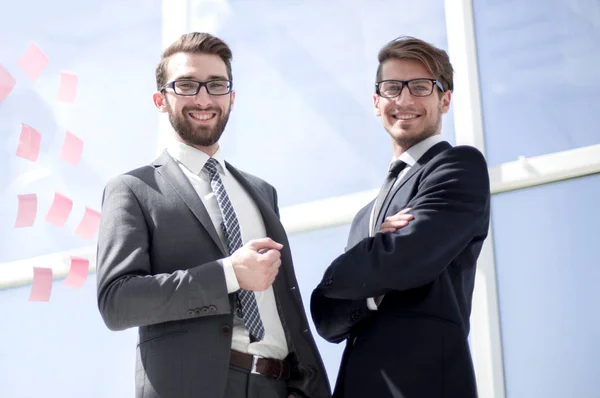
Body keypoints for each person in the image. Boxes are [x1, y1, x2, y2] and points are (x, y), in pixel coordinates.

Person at [96, 32, 331, 398]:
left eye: (216, 85)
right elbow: (117, 302)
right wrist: (228, 275)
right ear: (161, 100)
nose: (203, 98)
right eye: (187, 85)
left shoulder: (262, 192)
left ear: (232, 98)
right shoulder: (133, 189)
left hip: (277, 385)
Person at [310, 36, 491, 398]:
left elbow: (407, 260)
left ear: (445, 99)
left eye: (421, 87)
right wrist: (375, 251)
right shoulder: (366, 217)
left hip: (423, 382)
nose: (405, 100)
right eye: (393, 88)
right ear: (377, 103)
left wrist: (355, 268)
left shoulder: (457, 167)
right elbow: (328, 319)